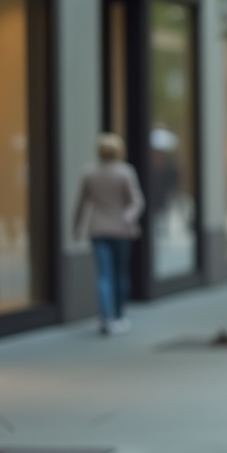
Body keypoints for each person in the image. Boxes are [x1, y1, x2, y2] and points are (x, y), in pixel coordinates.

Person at [73, 133, 144, 335]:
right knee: (119, 273)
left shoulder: (89, 172)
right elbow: (137, 201)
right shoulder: (125, 172)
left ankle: (105, 317)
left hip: (98, 228)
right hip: (121, 229)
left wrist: (76, 227)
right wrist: (129, 215)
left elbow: (81, 203)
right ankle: (119, 316)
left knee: (104, 275)